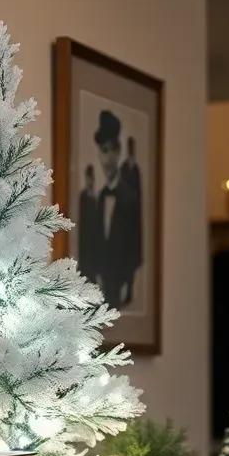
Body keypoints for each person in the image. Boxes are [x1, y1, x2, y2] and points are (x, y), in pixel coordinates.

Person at [93, 109, 140, 308]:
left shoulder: (129, 198)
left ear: (119, 152)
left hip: (119, 281)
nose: (108, 159)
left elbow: (134, 242)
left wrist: (127, 281)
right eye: (103, 151)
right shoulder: (101, 197)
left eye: (112, 150)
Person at [120, 136, 143, 306]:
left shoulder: (136, 170)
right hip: (124, 220)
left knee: (133, 256)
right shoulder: (124, 169)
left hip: (133, 221)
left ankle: (129, 289)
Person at [77, 164, 99, 283]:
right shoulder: (83, 196)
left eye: (91, 178)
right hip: (85, 239)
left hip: (94, 240)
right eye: (88, 178)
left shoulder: (95, 197)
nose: (89, 181)